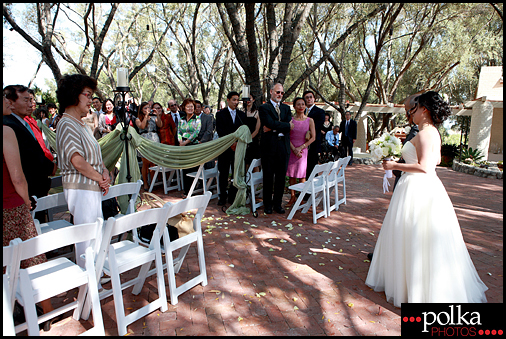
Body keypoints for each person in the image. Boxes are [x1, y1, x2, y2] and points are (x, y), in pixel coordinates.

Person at [365, 91, 488, 306]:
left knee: (414, 235)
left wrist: (395, 165)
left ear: (425, 110)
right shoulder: (433, 133)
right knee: (420, 237)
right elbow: (437, 161)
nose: (411, 113)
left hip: (416, 188)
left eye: (415, 108)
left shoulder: (423, 134)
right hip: (427, 187)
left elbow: (424, 166)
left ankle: (413, 289)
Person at [3, 97, 57, 331]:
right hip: (11, 207)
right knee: (32, 259)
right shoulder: (5, 131)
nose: (6, 100)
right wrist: (26, 201)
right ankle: (48, 313)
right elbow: (17, 176)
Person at [55, 74, 110, 269]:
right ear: (73, 95)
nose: (91, 100)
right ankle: (88, 284)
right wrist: (100, 179)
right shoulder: (66, 123)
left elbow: (95, 155)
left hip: (92, 186)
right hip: (81, 188)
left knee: (96, 234)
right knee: (86, 240)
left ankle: (97, 276)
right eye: (87, 95)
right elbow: (77, 160)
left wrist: (104, 172)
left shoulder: (81, 123)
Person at [367, 94, 420, 262]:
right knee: (397, 219)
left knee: (403, 220)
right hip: (404, 178)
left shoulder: (420, 130)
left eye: (408, 111)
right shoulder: (415, 129)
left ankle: (393, 258)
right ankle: (389, 255)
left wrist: (396, 165)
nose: (406, 115)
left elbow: (424, 164)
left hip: (411, 181)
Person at [3, 85, 57, 206]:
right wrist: (50, 167)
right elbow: (29, 157)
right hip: (26, 193)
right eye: (26, 100)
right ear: (11, 103)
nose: (31, 104)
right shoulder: (10, 126)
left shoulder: (23, 122)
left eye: (31, 100)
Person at [259, 83, 294, 214]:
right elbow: (268, 122)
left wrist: (273, 127)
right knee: (268, 176)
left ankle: (277, 204)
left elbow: (290, 125)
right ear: (271, 92)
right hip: (269, 147)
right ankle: (267, 205)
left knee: (280, 177)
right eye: (277, 92)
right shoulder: (264, 107)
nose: (279, 95)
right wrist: (283, 125)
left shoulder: (286, 108)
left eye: (281, 93)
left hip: (283, 146)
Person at [216, 91, 246, 206]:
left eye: (237, 100)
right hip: (225, 148)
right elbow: (221, 131)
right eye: (234, 100)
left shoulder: (241, 114)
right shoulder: (220, 114)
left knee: (235, 173)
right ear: (228, 100)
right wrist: (231, 143)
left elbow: (243, 130)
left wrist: (237, 143)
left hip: (237, 149)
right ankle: (222, 196)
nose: (236, 102)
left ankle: (232, 196)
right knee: (223, 173)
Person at [286, 97, 315, 207]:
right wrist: (294, 149)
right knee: (291, 174)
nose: (301, 106)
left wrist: (301, 148)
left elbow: (313, 137)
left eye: (303, 104)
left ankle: (300, 198)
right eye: (298, 104)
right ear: (294, 107)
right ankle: (292, 197)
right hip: (291, 149)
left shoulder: (310, 120)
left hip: (303, 152)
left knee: (302, 175)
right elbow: (287, 136)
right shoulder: (291, 120)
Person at [178, 98, 201, 198]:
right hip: (183, 146)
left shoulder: (197, 119)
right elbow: (179, 131)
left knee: (192, 168)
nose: (190, 108)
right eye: (188, 106)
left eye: (192, 106)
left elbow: (196, 132)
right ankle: (186, 190)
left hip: (193, 146)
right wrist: (180, 141)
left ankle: (192, 190)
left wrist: (186, 142)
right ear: (184, 108)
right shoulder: (182, 119)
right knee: (185, 169)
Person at [136, 101, 162, 190]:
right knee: (145, 163)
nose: (147, 109)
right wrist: (146, 116)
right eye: (145, 108)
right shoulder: (138, 118)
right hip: (144, 139)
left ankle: (153, 182)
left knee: (153, 162)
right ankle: (145, 183)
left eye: (148, 107)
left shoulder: (153, 117)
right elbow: (142, 126)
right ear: (141, 110)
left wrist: (157, 115)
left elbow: (160, 125)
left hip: (154, 139)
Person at [303, 91, 326, 179]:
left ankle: (311, 189)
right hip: (302, 142)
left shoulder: (320, 111)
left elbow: (318, 126)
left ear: (314, 99)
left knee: (312, 166)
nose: (309, 99)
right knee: (303, 166)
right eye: (306, 97)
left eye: (310, 97)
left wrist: (306, 130)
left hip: (313, 142)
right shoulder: (302, 111)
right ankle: (303, 188)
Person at [244, 94, 261, 172]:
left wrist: (249, 139)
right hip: (243, 141)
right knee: (245, 163)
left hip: (253, 141)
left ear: (253, 99)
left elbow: (257, 129)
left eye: (250, 98)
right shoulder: (241, 112)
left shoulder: (257, 113)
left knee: (255, 163)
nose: (248, 100)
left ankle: (256, 184)